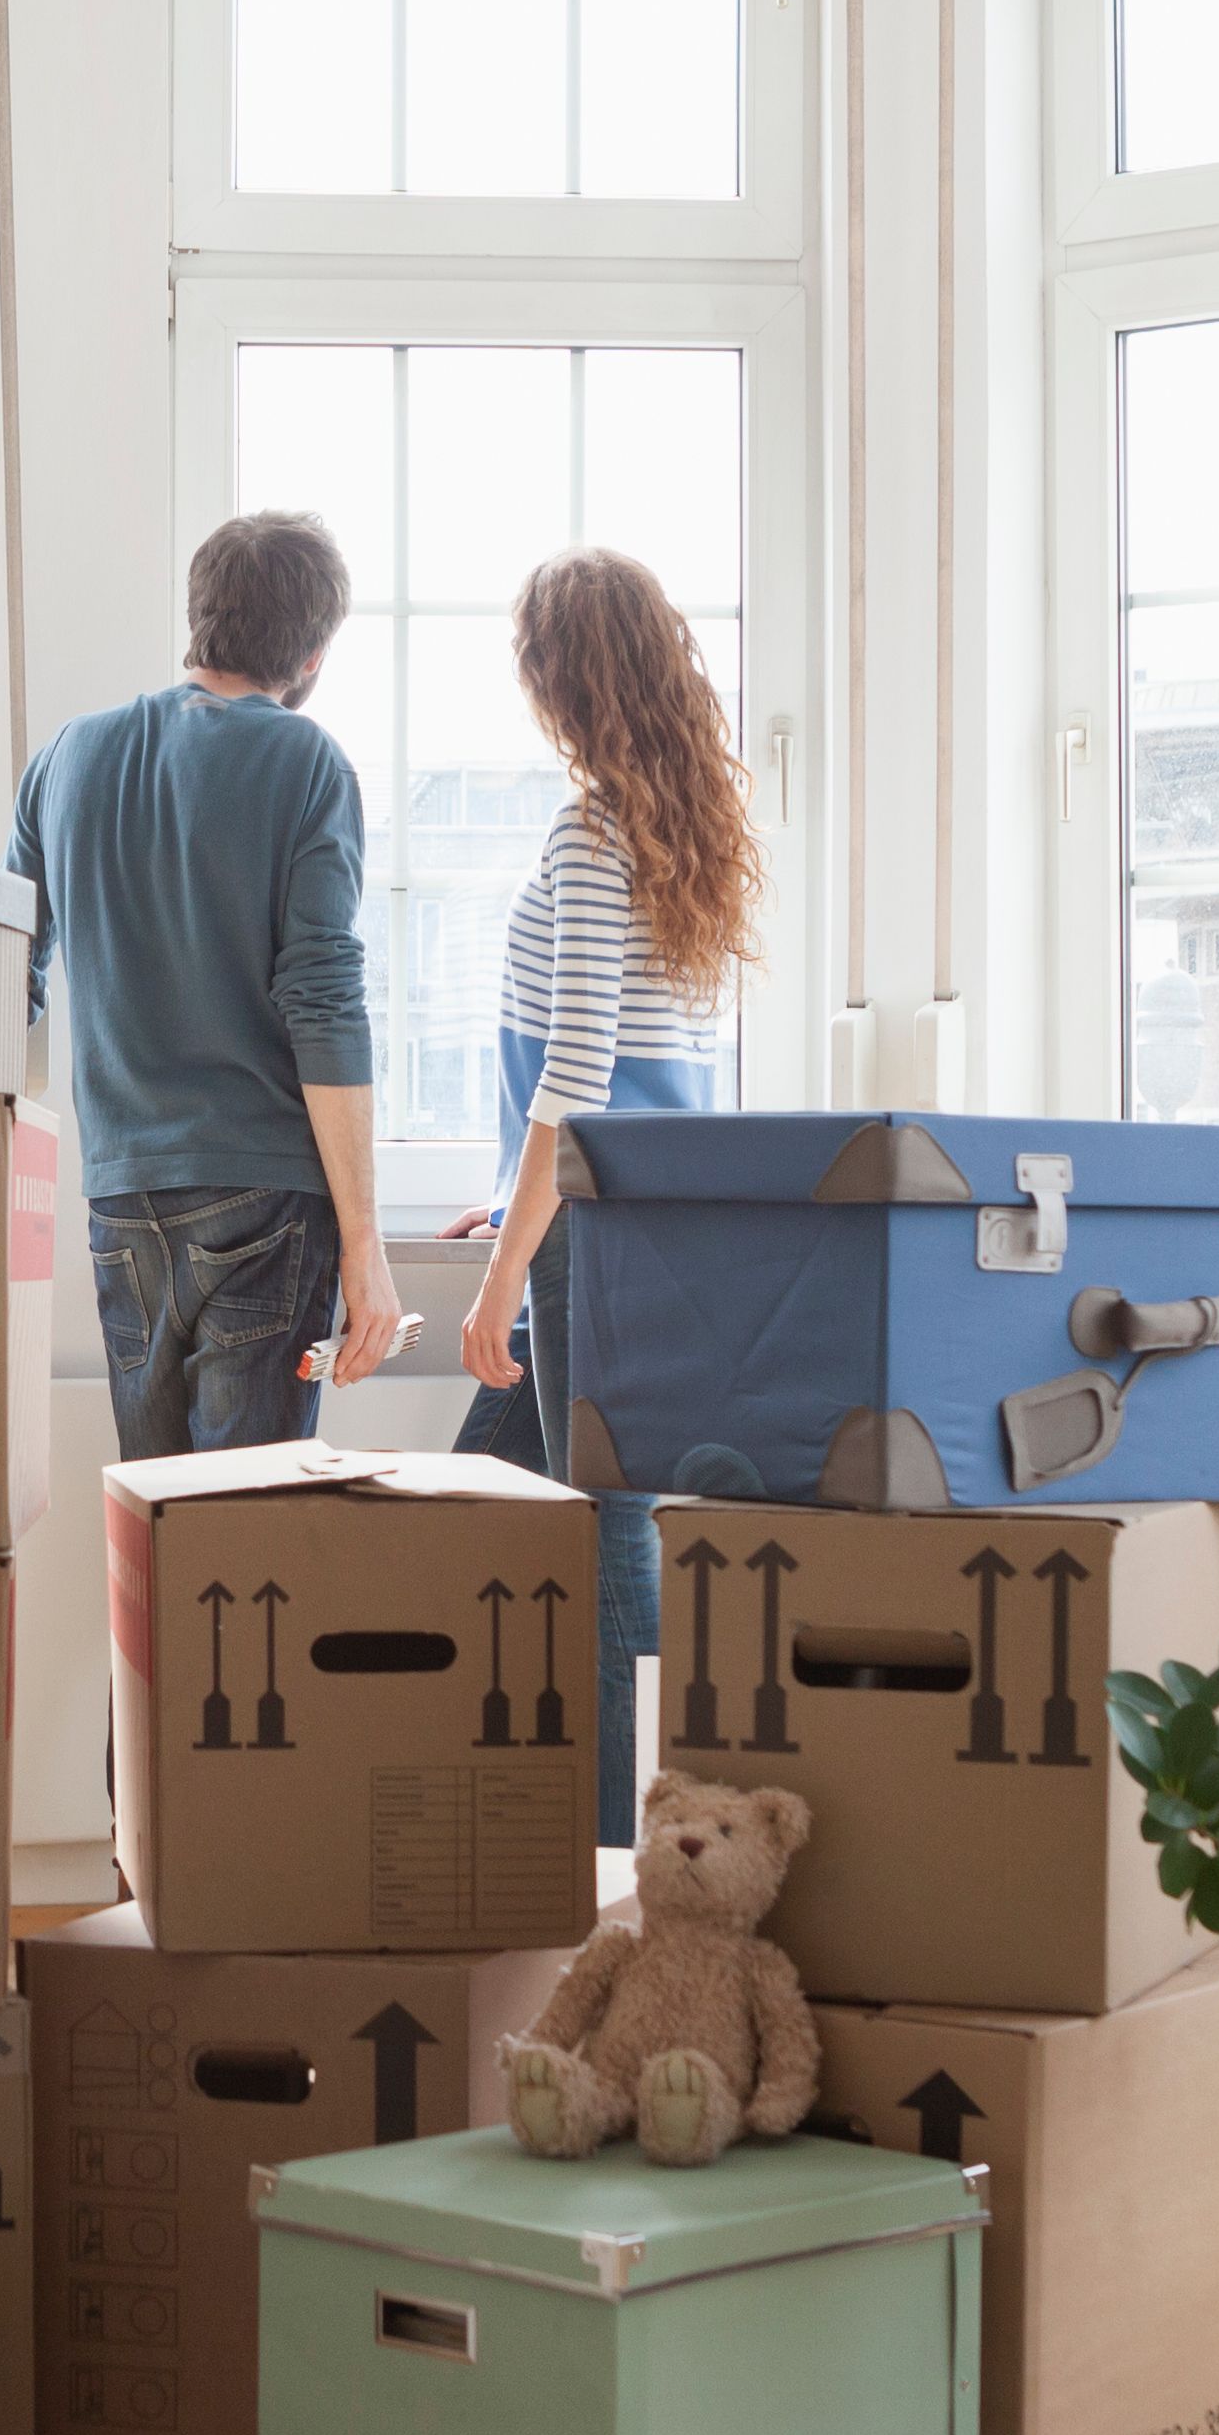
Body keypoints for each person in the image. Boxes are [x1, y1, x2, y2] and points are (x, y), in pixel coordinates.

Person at [452, 546, 757, 1843]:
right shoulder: (684, 834)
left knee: (599, 1535)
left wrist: (505, 1269)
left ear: (557, 679)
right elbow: (641, 1064)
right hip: (648, 1221)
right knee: (494, 1511)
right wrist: (508, 1204)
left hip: (590, 1230)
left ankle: (622, 1859)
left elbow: (575, 1074)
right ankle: (537, 1829)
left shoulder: (589, 833)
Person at [9, 510, 418, 1460]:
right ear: (313, 653)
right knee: (245, 1544)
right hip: (265, 1197)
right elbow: (322, 1002)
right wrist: (367, 1246)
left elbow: (1, 976)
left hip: (121, 1193)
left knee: (154, 1528)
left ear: (198, 614)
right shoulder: (308, 761)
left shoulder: (67, 757)